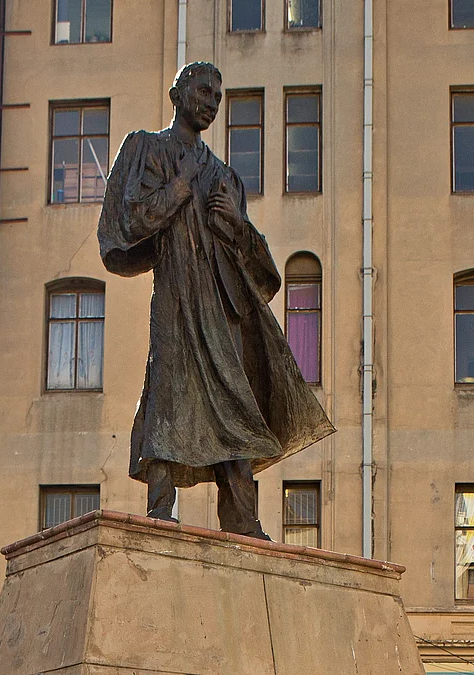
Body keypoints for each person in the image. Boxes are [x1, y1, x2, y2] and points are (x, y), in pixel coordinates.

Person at [97, 62, 335, 540]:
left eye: (217, 97)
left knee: (236, 409)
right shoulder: (147, 149)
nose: (210, 102)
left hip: (221, 314)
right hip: (176, 302)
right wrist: (180, 188)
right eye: (203, 91)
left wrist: (237, 224)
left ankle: (244, 521)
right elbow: (126, 224)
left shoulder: (225, 177)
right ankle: (160, 513)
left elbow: (259, 275)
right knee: (166, 399)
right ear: (178, 93)